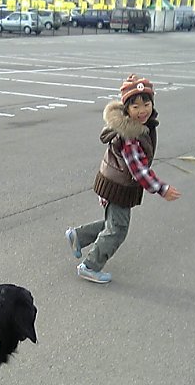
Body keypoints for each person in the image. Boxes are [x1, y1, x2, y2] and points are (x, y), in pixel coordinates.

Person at [65, 74, 181, 284]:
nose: (142, 110)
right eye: (135, 107)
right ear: (126, 109)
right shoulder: (130, 136)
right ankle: (90, 266)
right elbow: (139, 171)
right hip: (118, 186)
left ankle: (78, 236)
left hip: (113, 182)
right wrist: (162, 189)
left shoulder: (140, 127)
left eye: (146, 104)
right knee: (118, 229)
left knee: (114, 223)